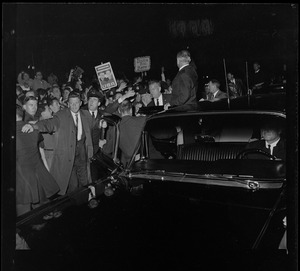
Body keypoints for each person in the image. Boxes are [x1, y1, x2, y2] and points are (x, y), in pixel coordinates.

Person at [22, 91, 95, 195]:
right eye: (71, 103)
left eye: (76, 102)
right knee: (73, 186)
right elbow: (49, 124)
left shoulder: (86, 115)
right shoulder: (61, 115)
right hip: (68, 158)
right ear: (68, 104)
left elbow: (93, 128)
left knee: (85, 183)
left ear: (81, 103)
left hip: (83, 156)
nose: (74, 105)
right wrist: (34, 126)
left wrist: (101, 124)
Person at [16, 105, 59, 216]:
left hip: (21, 182)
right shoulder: (33, 128)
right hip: (39, 178)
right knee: (43, 215)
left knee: (24, 220)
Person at [118, 100, 147, 166]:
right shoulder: (142, 120)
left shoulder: (115, 126)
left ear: (119, 110)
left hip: (126, 164)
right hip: (140, 162)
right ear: (131, 110)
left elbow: (107, 149)